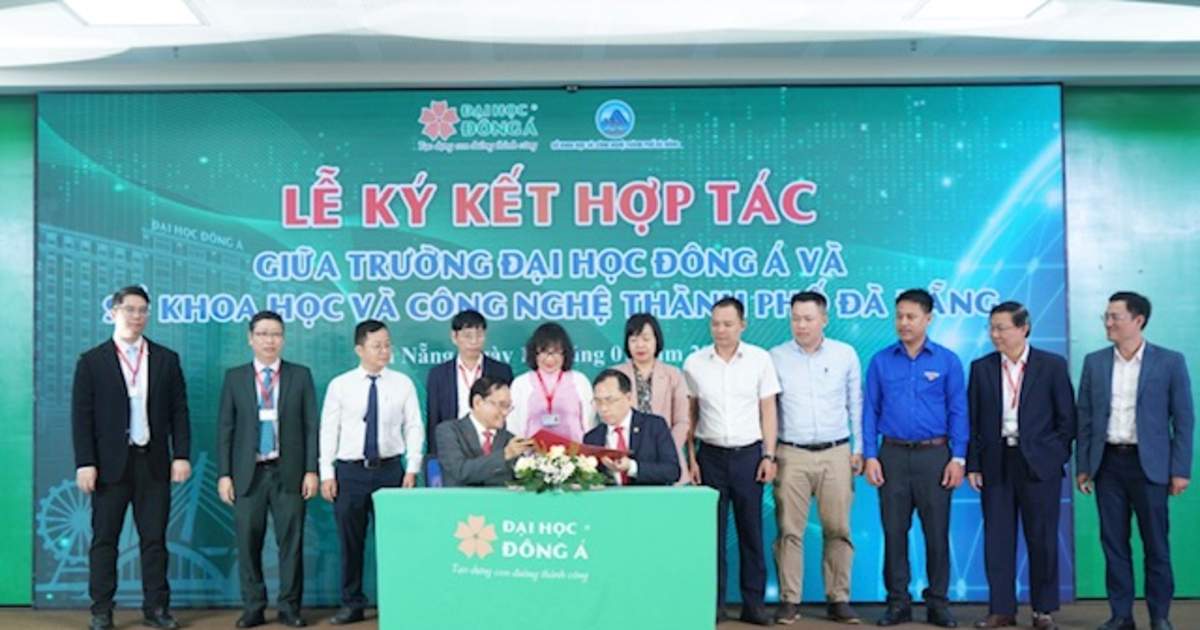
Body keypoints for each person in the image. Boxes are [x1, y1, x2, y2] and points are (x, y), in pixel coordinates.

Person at [71, 285, 191, 630]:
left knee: (154, 540)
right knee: (104, 540)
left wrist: (181, 455)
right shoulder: (92, 361)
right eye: (130, 310)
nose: (137, 316)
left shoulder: (166, 359)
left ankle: (156, 608)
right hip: (109, 466)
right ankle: (101, 609)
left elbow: (179, 412)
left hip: (153, 462)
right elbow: (81, 417)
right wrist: (85, 462)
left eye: (143, 311)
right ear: (113, 312)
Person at [1076, 292, 1193, 630]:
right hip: (1108, 464)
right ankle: (1121, 615)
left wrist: (1180, 470)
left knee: (1156, 545)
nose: (1108, 323)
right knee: (1114, 544)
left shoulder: (1169, 362)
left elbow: (1183, 419)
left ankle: (1160, 616)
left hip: (1150, 466)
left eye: (1115, 317)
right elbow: (1085, 418)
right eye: (1106, 317)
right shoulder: (1095, 362)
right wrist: (1084, 466)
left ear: (1138, 320)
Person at [862, 288, 968, 628]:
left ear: (928, 318)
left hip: (935, 456)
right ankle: (898, 603)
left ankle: (938, 604)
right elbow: (869, 411)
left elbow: (958, 411)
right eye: (899, 316)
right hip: (891, 456)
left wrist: (959, 458)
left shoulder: (947, 361)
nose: (904, 323)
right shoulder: (881, 361)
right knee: (894, 533)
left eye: (911, 316)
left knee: (936, 534)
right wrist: (870, 455)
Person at [966, 302, 1075, 630]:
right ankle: (1001, 609)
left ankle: (1043, 610)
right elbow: (973, 421)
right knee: (997, 539)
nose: (994, 334)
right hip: (997, 461)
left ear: (1023, 328)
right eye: (991, 328)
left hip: (1039, 465)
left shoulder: (1051, 365)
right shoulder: (981, 368)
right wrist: (974, 464)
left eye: (1001, 328)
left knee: (1042, 538)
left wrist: (1054, 456)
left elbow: (1067, 420)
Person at [216, 310, 318, 628]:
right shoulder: (235, 377)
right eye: (262, 334)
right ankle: (253, 607)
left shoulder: (300, 375)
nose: (269, 340)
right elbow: (225, 429)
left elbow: (311, 426)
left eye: (275, 334)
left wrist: (311, 470)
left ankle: (289, 608)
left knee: (291, 543)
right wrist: (224, 474)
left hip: (289, 471)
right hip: (249, 474)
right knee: (248, 543)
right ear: (250, 338)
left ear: (283, 339)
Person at [319, 320, 424, 625]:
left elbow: (414, 426)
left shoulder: (402, 383)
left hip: (391, 471)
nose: (384, 351)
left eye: (387, 345)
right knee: (350, 543)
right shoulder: (340, 385)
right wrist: (326, 473)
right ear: (359, 349)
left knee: (396, 541)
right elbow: (329, 430)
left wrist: (412, 468)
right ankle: (352, 604)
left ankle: (398, 601)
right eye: (377, 346)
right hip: (350, 473)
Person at [683, 297, 780, 626]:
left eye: (728, 324)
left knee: (751, 533)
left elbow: (768, 410)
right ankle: (714, 605)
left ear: (742, 325)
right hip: (709, 456)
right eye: (715, 324)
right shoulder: (695, 363)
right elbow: (690, 415)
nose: (721, 330)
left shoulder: (759, 359)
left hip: (749, 456)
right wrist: (691, 458)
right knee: (712, 537)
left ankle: (754, 605)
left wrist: (769, 455)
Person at [769, 291, 863, 625]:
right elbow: (769, 410)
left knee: (838, 528)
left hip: (836, 451)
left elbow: (856, 404)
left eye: (808, 319)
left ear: (824, 319)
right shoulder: (775, 356)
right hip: (790, 453)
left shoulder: (844, 354)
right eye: (795, 318)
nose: (801, 325)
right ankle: (789, 600)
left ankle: (838, 598)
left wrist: (858, 448)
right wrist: (770, 454)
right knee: (788, 530)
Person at [424, 310, 513, 471]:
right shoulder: (438, 374)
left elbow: (507, 413)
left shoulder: (501, 370)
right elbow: (434, 420)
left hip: (491, 446)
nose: (474, 341)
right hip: (454, 447)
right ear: (454, 337)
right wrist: (435, 457)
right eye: (467, 336)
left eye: (479, 335)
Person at [611, 313, 690, 484]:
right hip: (624, 458)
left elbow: (682, 421)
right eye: (634, 340)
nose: (640, 345)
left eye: (646, 339)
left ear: (656, 340)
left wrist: (666, 449)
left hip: (665, 459)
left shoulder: (673, 375)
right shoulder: (615, 375)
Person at [583, 369, 680, 486]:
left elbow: (672, 471)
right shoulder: (592, 438)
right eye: (598, 402)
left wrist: (632, 467)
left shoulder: (654, 426)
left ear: (628, 398)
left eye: (610, 400)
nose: (603, 408)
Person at [436, 376, 533, 487]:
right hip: (461, 497)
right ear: (478, 402)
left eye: (508, 407)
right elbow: (460, 472)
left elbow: (521, 481)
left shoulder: (510, 440)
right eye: (502, 405)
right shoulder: (449, 431)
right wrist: (504, 455)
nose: (505, 413)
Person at [507, 322, 594, 442]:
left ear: (565, 353)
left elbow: (590, 422)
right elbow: (513, 426)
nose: (550, 359)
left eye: (556, 352)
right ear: (534, 353)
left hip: (574, 451)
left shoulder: (580, 381)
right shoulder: (521, 384)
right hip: (532, 452)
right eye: (544, 352)